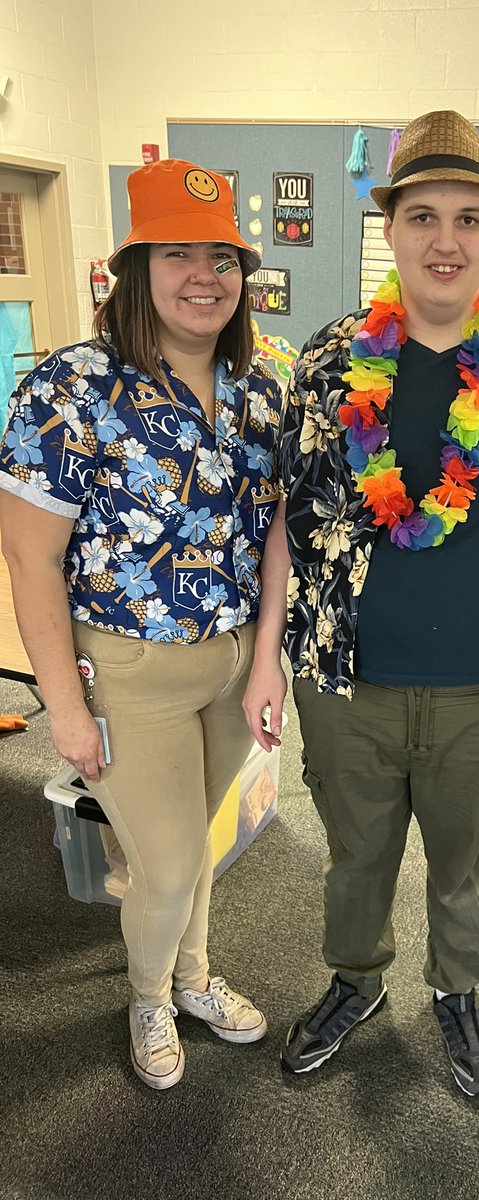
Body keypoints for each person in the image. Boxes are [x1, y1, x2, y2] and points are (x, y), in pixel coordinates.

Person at [243, 109, 479, 1096]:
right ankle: (356, 981)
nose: (446, 241)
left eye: (468, 219)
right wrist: (268, 657)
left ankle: (457, 988)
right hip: (345, 678)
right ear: (392, 227)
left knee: (466, 861)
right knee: (354, 855)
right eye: (424, 217)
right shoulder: (329, 362)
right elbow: (288, 518)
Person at [0, 159, 283, 1090]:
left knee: (196, 844)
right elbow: (30, 558)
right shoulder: (71, 387)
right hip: (127, 672)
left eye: (222, 258)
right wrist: (62, 708)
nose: (205, 276)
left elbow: (276, 532)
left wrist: (268, 662)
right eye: (176, 254)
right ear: (134, 268)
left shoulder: (260, 386)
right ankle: (150, 995)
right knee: (164, 865)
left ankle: (192, 979)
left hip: (230, 666)